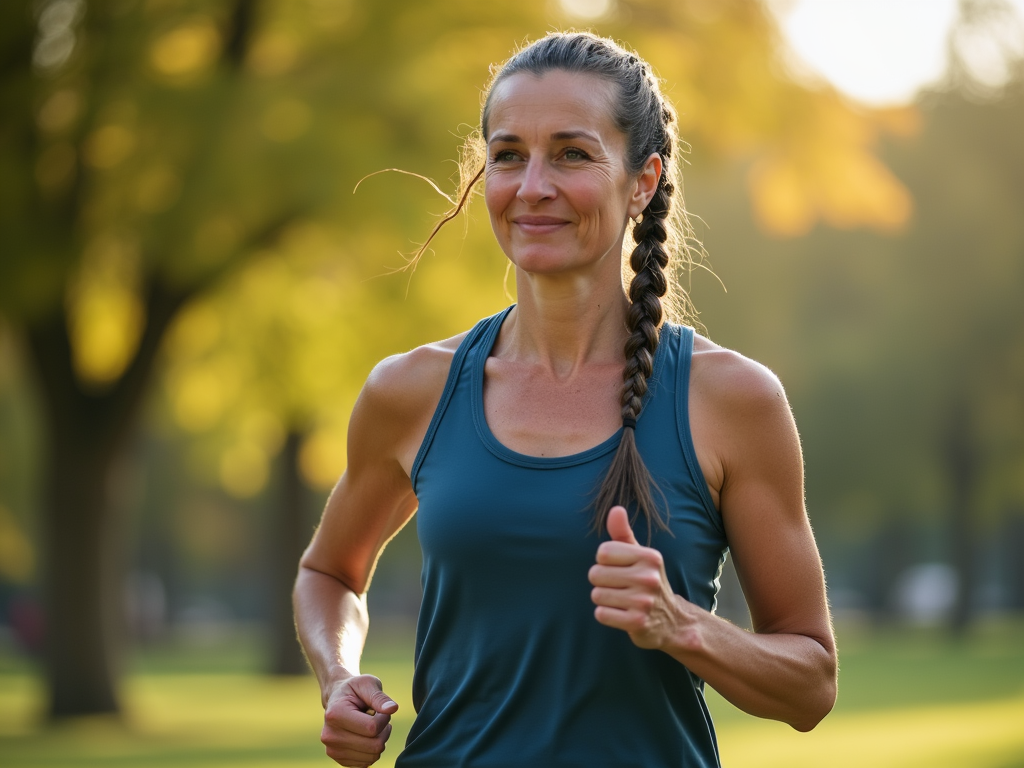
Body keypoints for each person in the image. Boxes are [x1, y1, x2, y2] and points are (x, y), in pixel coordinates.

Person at [294, 31, 837, 768]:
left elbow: (811, 683)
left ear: (642, 181)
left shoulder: (732, 400)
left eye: (572, 154)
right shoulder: (410, 390)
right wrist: (338, 677)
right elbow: (328, 573)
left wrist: (682, 626)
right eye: (509, 155)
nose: (533, 186)